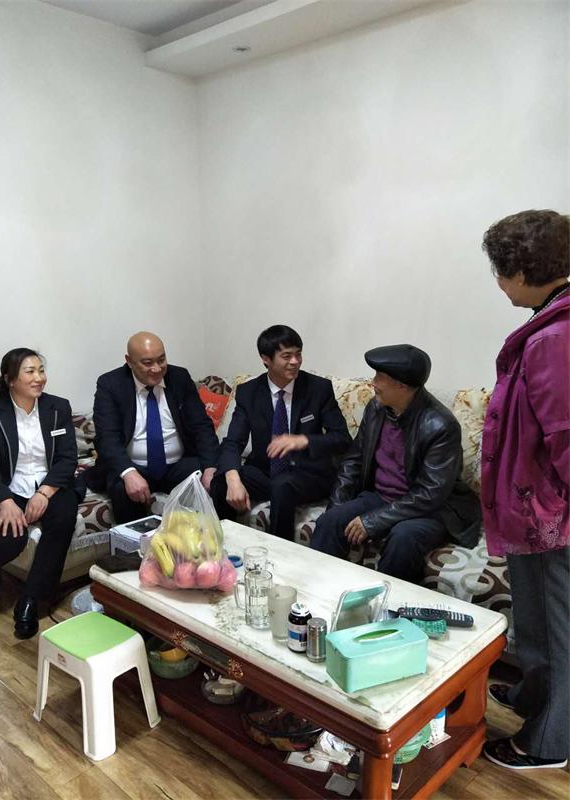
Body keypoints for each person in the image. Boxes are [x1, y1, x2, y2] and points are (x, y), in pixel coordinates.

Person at [480, 210, 569, 771]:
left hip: (552, 518)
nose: (497, 281)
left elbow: (566, 436)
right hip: (533, 511)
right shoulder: (550, 323)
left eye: (499, 270)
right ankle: (537, 700)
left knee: (560, 635)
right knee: (534, 624)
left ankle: (548, 744)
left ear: (521, 270)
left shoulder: (554, 338)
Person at [310, 344, 481, 582]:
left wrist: (373, 521)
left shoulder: (440, 425)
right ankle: (321, 592)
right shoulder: (376, 407)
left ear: (401, 385)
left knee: (404, 537)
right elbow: (353, 461)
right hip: (380, 497)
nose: (373, 383)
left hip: (430, 510)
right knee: (330, 522)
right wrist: (338, 509)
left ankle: (387, 603)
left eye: (379, 377)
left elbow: (431, 493)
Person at [0, 348, 79, 639]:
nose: (39, 378)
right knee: (11, 539)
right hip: (11, 488)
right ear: (10, 380)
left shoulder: (58, 408)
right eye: (30, 372)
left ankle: (30, 600)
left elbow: (68, 458)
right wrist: (5, 501)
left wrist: (44, 493)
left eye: (41, 370)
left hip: (50, 485)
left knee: (64, 517)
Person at [211, 325, 351, 540]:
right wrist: (232, 478)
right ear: (266, 359)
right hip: (266, 472)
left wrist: (303, 440)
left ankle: (281, 554)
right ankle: (225, 545)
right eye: (286, 356)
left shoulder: (318, 389)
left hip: (308, 475)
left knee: (282, 486)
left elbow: (342, 438)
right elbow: (233, 442)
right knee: (221, 481)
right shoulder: (249, 392)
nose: (295, 361)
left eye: (298, 354)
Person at [93, 332, 218, 523]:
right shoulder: (110, 384)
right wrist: (128, 472)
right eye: (147, 363)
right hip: (134, 465)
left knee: (217, 479)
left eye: (161, 360)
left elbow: (202, 426)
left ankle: (214, 539)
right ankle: (135, 541)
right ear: (129, 361)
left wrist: (210, 468)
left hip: (178, 464)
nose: (157, 369)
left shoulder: (179, 377)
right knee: (120, 486)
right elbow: (107, 437)